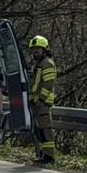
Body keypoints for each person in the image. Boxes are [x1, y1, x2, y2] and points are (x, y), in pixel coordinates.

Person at [29, 35, 57, 163]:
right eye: (33, 49)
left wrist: (40, 99)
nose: (35, 51)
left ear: (44, 50)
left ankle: (49, 156)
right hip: (36, 102)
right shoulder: (38, 64)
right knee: (39, 129)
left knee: (45, 128)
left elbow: (48, 84)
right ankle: (43, 154)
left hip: (43, 103)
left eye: (38, 49)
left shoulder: (47, 64)